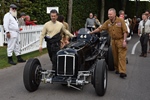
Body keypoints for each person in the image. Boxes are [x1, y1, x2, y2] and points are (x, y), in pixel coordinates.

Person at [90, 8, 128, 78]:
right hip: (113, 41)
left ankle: (122, 71)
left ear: (114, 14)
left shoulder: (120, 21)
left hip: (120, 40)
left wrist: (124, 41)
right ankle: (117, 69)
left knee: (121, 56)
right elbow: (100, 28)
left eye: (111, 14)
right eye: (108, 14)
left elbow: (125, 31)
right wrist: (91, 32)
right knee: (115, 56)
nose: (109, 15)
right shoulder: (107, 22)